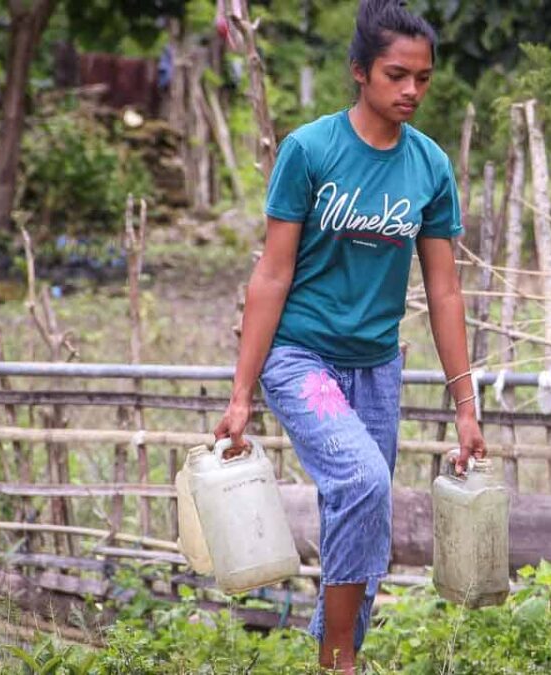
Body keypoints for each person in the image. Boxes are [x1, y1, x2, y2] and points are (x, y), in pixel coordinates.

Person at [213, 0, 486, 671]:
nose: (412, 90)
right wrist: (241, 393)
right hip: (301, 356)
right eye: (397, 75)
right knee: (363, 480)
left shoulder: (429, 166)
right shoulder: (311, 150)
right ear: (360, 71)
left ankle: (336, 654)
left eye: (423, 77)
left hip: (377, 365)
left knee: (361, 509)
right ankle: (341, 659)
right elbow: (272, 276)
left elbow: (445, 291)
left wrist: (466, 406)